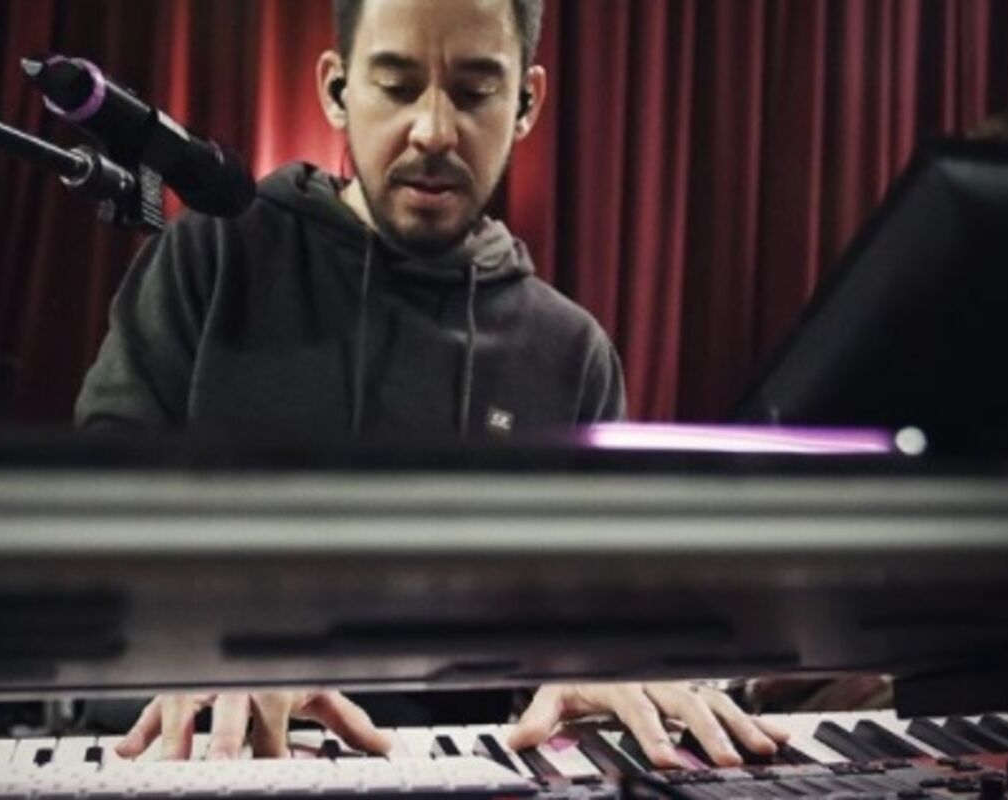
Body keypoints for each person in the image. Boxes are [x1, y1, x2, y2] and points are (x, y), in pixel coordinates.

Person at [76, 0, 788, 769]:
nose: (434, 131)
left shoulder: (570, 354)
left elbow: (600, 610)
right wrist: (210, 638)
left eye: (475, 92)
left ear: (527, 102)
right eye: (397, 86)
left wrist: (610, 656)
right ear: (337, 89)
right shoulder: (213, 258)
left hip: (445, 771)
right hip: (188, 755)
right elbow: (95, 515)